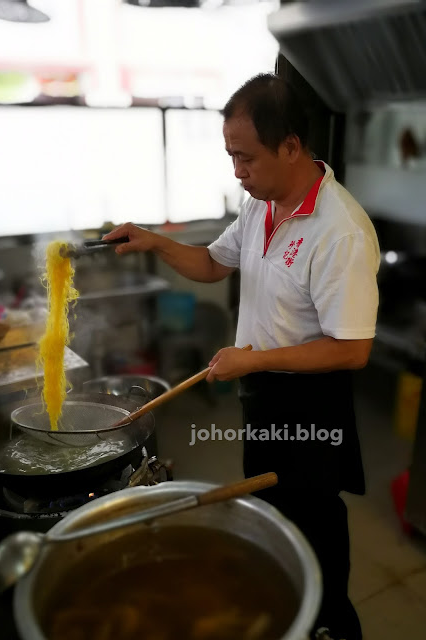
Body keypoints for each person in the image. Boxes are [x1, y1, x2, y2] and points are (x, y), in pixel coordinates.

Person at [103, 73, 380, 640]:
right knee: (271, 512)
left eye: (245, 157)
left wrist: (252, 361)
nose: (237, 171)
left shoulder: (340, 231)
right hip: (265, 393)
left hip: (309, 403)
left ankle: (331, 627)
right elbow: (212, 262)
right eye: (231, 156)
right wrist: (155, 241)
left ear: (292, 146)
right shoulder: (262, 204)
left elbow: (352, 349)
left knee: (314, 524)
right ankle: (289, 612)